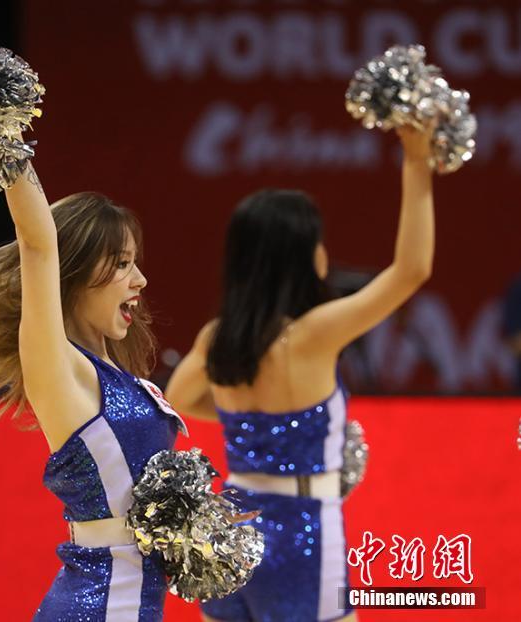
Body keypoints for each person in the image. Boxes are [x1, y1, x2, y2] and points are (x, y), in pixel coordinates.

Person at [166, 125, 436, 622]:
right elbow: (412, 270)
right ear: (305, 255)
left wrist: (241, 418)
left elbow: (178, 398)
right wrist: (416, 162)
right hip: (301, 532)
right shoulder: (312, 334)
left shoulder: (216, 337)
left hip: (226, 531)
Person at [0, 162, 189, 619]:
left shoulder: (121, 376)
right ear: (72, 273)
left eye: (135, 262)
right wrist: (7, 137)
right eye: (121, 264)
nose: (140, 280)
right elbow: (38, 246)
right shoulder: (60, 366)